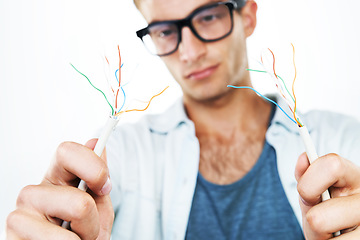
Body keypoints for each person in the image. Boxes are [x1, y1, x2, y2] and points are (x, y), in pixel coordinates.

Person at [5, 0, 360, 239]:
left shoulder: (345, 145)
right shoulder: (118, 157)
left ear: (247, 16)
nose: (189, 52)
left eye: (207, 17)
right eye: (164, 30)